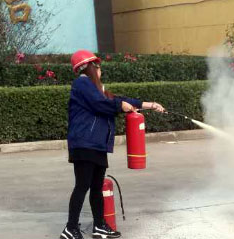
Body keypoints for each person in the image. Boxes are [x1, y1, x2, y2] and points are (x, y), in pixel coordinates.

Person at [60, 50, 165, 239]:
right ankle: (70, 228)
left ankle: (99, 226)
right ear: (89, 67)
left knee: (96, 187)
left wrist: (149, 104)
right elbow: (100, 104)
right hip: (85, 144)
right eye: (98, 66)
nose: (100, 70)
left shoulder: (96, 88)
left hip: (96, 145)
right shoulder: (82, 83)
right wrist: (120, 106)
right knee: (82, 186)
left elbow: (116, 100)